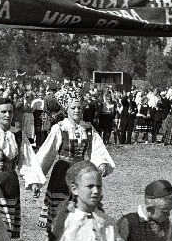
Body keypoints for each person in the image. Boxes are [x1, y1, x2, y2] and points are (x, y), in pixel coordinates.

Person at [35, 98, 114, 233]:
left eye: (79, 108)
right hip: (62, 173)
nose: (77, 110)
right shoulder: (59, 128)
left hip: (81, 173)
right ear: (67, 110)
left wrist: (101, 164)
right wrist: (36, 178)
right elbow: (47, 153)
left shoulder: (88, 128)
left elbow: (97, 148)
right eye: (73, 108)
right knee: (60, 211)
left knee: (81, 211)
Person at [0, 97, 45, 238]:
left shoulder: (18, 135)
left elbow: (26, 160)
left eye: (10, 112)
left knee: (5, 231)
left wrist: (33, 181)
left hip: (10, 184)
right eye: (3, 111)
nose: (7, 115)